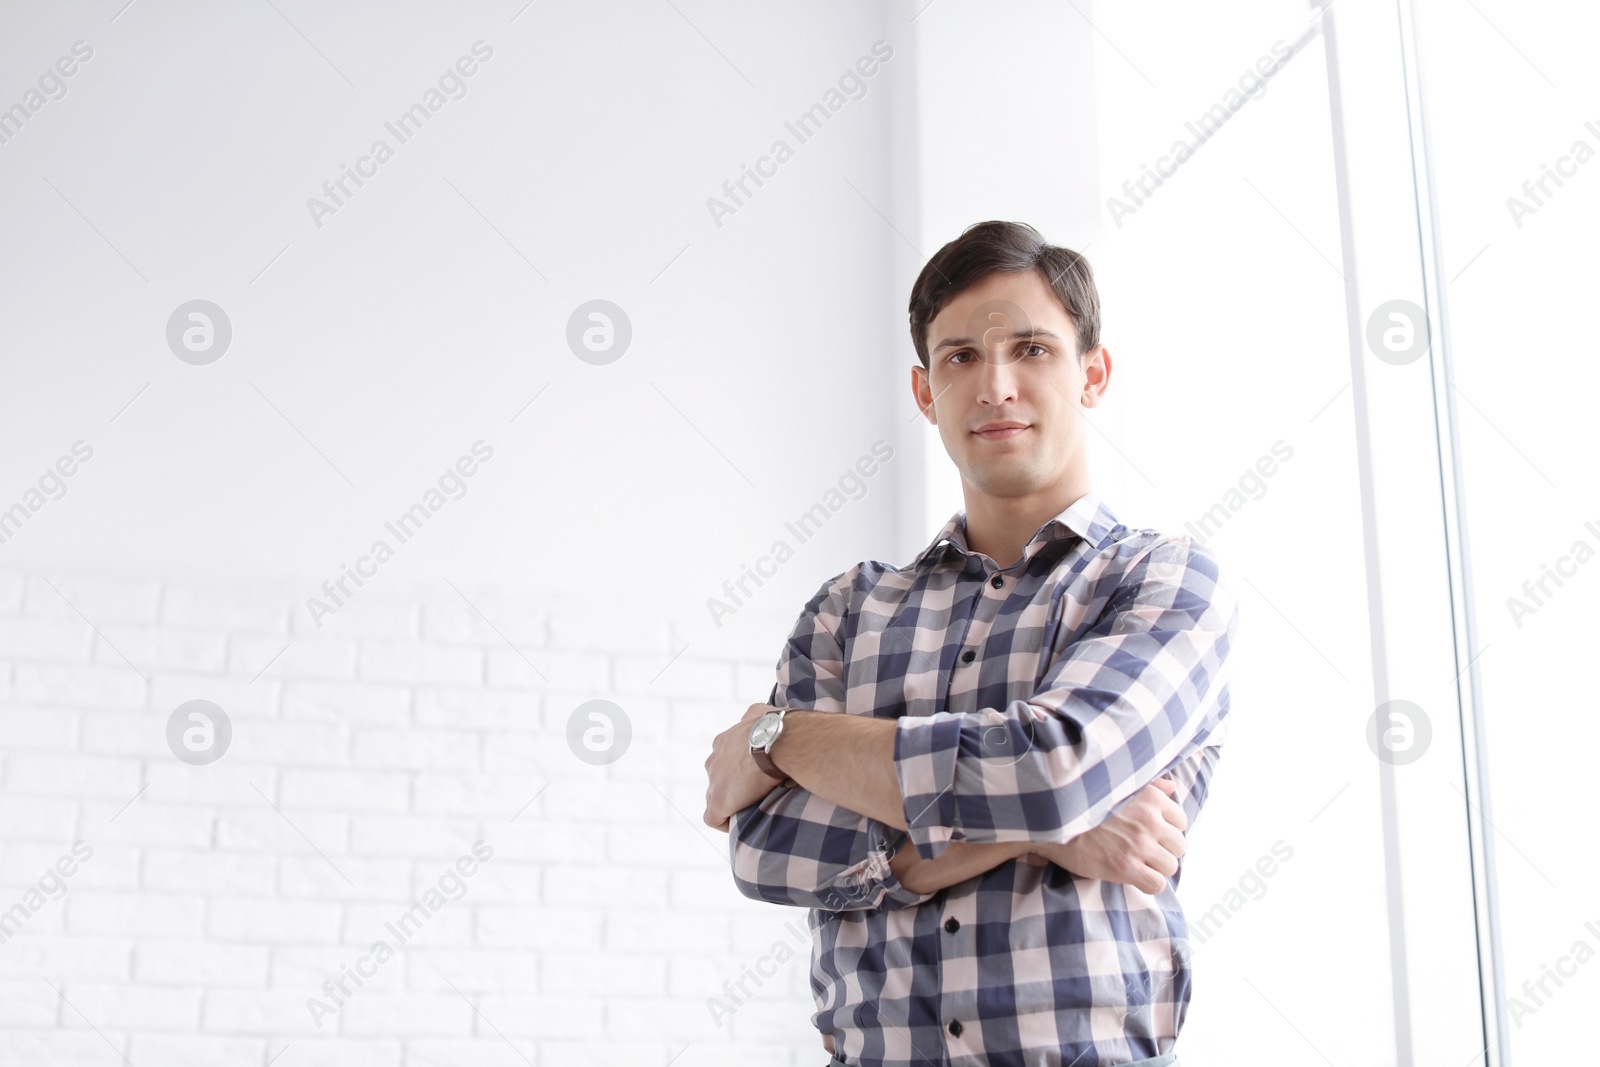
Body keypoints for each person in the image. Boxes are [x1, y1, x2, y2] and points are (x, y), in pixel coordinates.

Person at [703, 220, 1239, 1066]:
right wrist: (1047, 831)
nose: (995, 386)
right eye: (959, 357)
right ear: (925, 392)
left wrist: (787, 738)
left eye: (1032, 349)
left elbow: (1053, 765)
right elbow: (766, 847)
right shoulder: (849, 609)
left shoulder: (1161, 582)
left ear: (1092, 373)